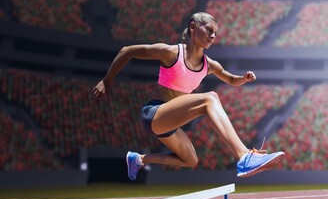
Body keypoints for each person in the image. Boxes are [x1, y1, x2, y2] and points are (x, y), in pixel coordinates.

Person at [93, 12, 284, 180]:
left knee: (190, 160)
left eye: (215, 33)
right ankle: (244, 156)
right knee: (210, 98)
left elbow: (231, 79)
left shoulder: (210, 65)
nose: (213, 35)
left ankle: (139, 159)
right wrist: (107, 80)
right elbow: (127, 51)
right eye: (209, 29)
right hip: (154, 113)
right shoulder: (171, 53)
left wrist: (243, 78)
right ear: (193, 27)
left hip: (170, 123)